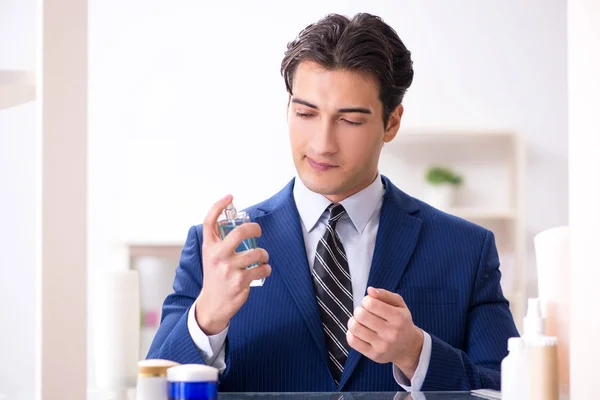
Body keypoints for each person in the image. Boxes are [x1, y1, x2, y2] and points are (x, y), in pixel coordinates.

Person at [147, 12, 519, 392]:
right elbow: (154, 388)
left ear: (391, 123)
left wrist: (417, 353)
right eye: (306, 113)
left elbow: (508, 389)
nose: (322, 143)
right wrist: (206, 318)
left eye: (351, 121)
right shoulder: (218, 249)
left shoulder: (466, 249)